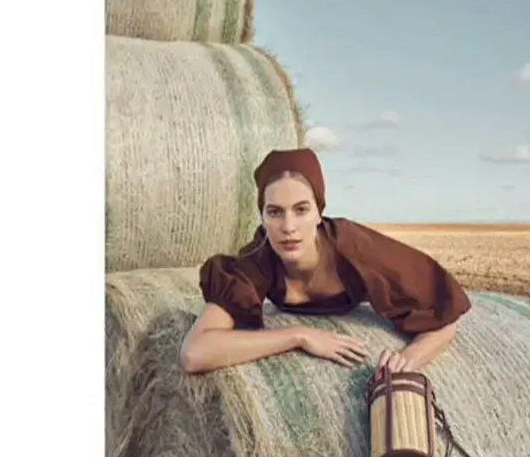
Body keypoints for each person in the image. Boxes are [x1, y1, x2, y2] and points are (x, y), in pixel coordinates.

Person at [181, 148, 471, 375]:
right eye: (275, 212)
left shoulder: (357, 248)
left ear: (319, 212)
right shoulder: (256, 261)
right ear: (262, 217)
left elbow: (444, 318)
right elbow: (194, 353)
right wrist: (298, 336)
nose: (288, 227)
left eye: (301, 210)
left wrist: (408, 359)